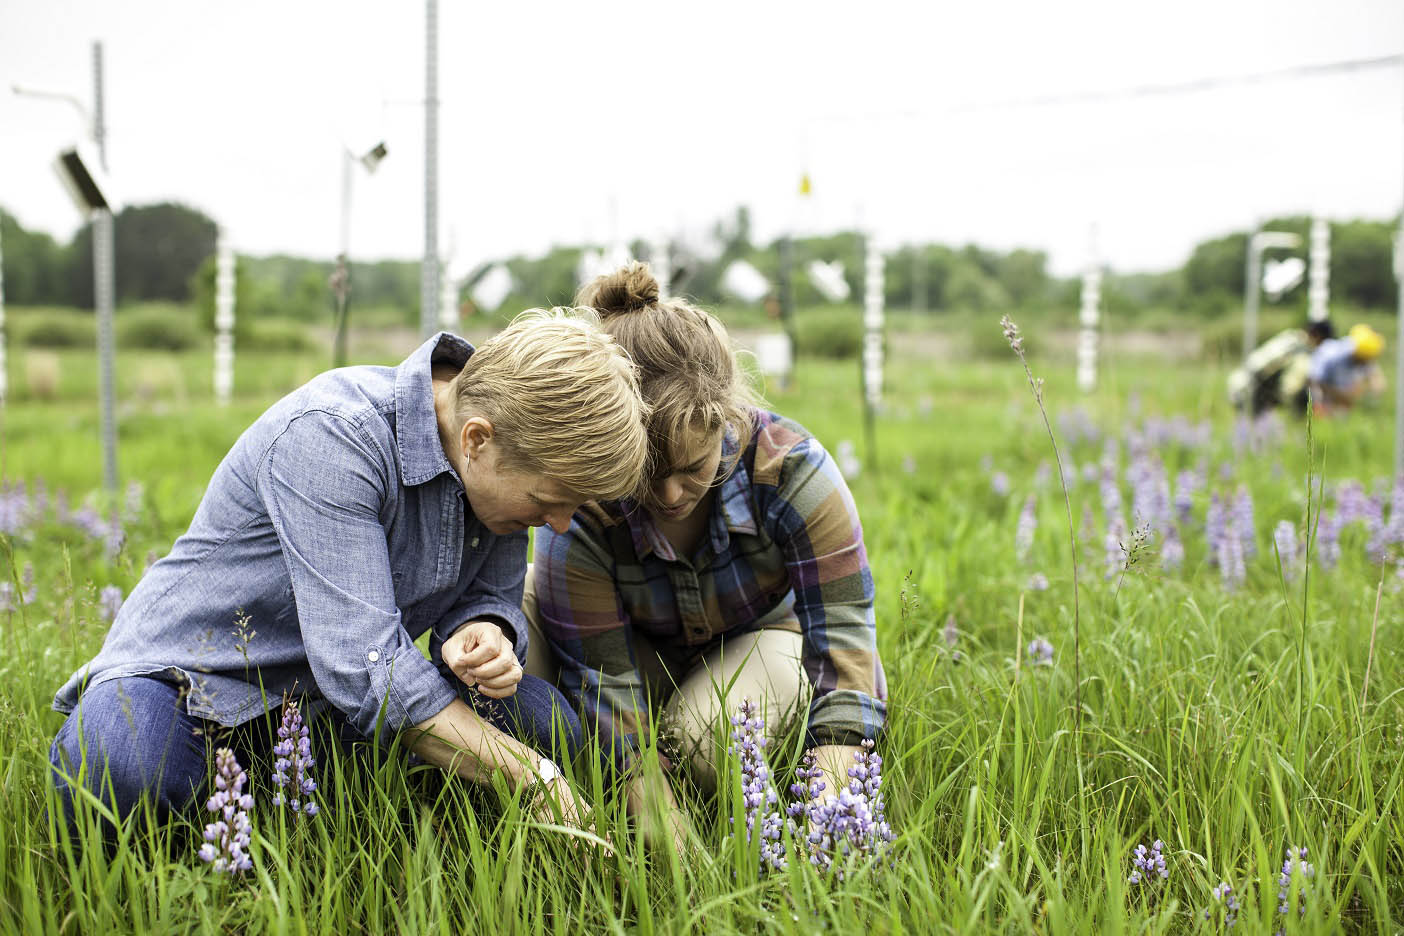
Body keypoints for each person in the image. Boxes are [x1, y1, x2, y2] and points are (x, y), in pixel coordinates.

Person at [50, 313, 650, 833]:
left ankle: (307, 804)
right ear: (476, 440)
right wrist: (533, 779)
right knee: (118, 767)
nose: (562, 524)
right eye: (552, 500)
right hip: (195, 682)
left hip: (317, 708)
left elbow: (486, 595)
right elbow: (369, 673)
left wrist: (486, 630)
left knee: (546, 724)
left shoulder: (501, 458)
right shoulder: (332, 436)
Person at [526, 263, 886, 850]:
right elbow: (606, 685)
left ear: (726, 418)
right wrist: (646, 798)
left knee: (709, 742)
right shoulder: (588, 500)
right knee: (520, 620)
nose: (670, 496)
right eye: (647, 473)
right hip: (633, 654)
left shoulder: (793, 470)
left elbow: (846, 650)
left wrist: (835, 794)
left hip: (759, 643)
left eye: (693, 468)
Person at [1227, 319, 1333, 414]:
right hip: (1251, 392)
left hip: (1239, 383)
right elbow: (1289, 389)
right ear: (1318, 336)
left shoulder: (1290, 337)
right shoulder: (1302, 352)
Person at [1309, 322, 1386, 415]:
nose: (1365, 363)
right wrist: (1343, 396)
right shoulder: (1333, 356)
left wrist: (1374, 388)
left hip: (1342, 398)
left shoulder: (1363, 352)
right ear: (1358, 355)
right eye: (1364, 360)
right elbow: (1317, 382)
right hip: (1320, 396)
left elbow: (1375, 375)